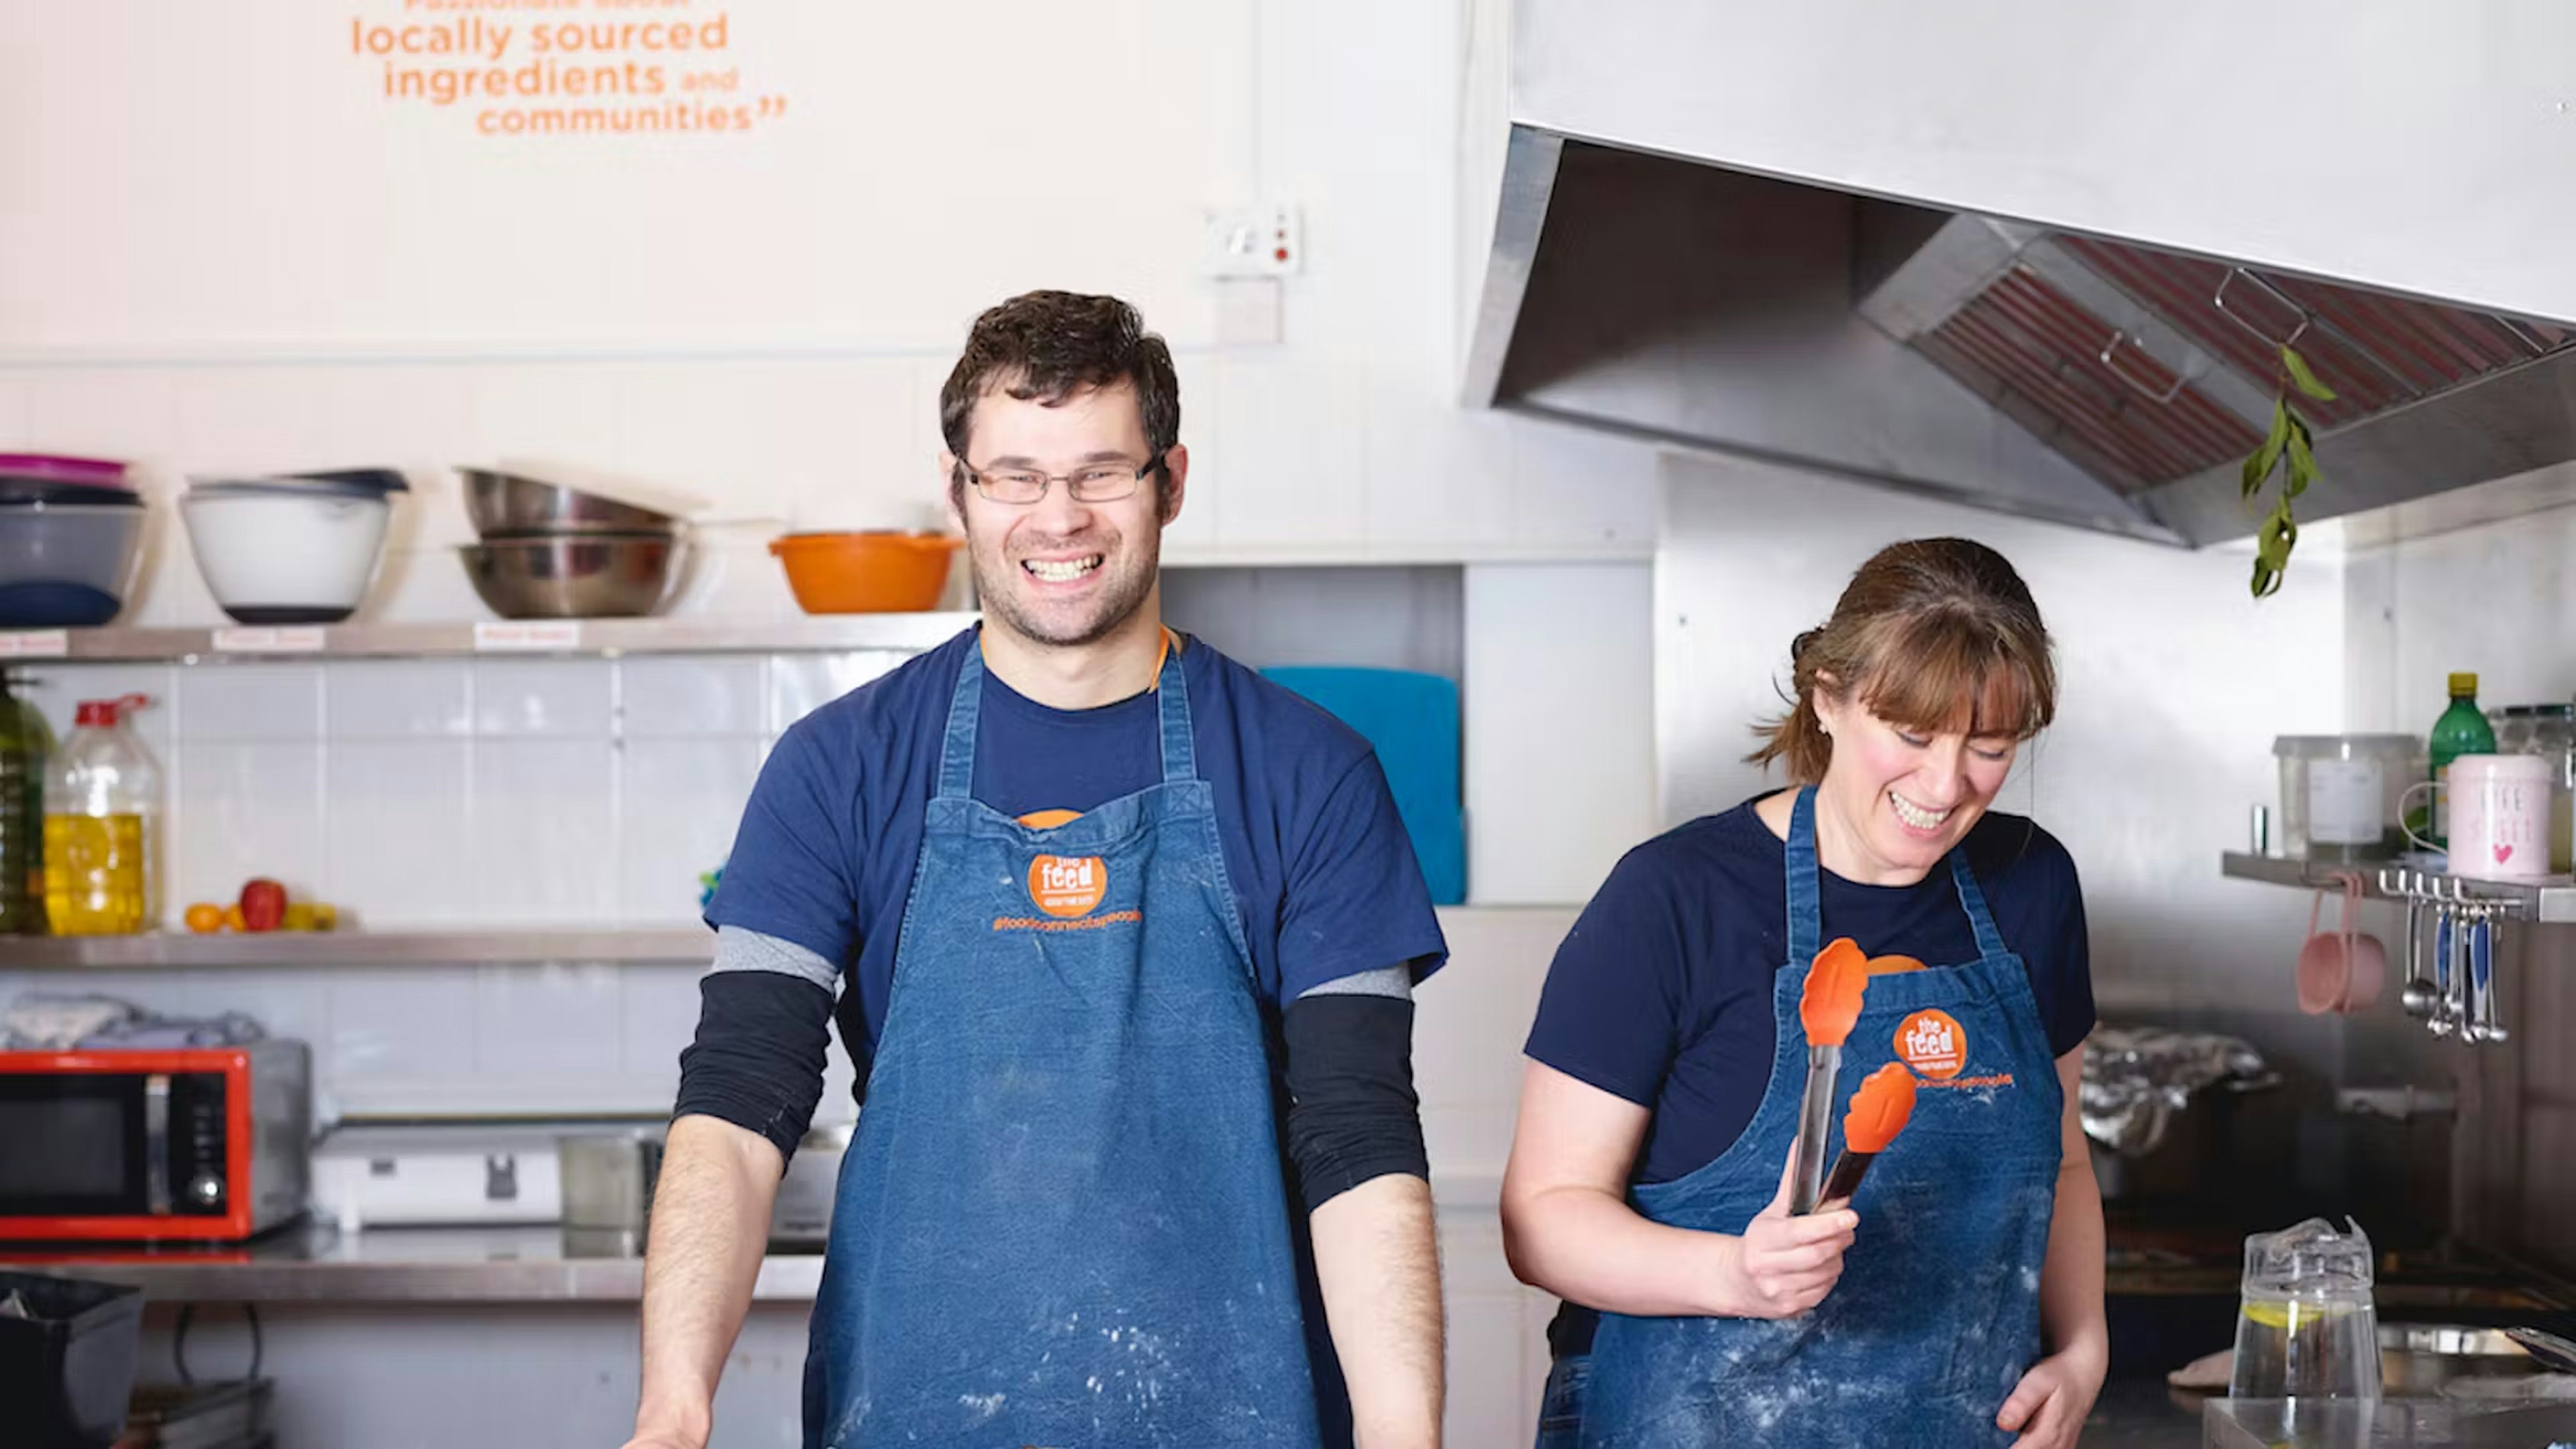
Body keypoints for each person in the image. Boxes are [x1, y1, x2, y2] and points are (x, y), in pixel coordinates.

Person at [622, 291, 1449, 1449]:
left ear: (1171, 481)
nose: (1058, 518)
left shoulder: (1309, 771)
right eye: (1015, 475)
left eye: (1101, 472)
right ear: (958, 490)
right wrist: (673, 1407)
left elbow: (1358, 1131)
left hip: (1234, 1409)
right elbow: (739, 1098)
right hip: (914, 1406)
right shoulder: (840, 766)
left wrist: (1405, 1432)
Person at [1500, 537, 2105, 1449]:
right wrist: (1733, 1276)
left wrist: (2085, 1350)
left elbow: (2063, 1165)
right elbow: (1542, 1215)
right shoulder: (1675, 898)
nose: (1945, 787)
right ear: (1828, 698)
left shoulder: (2034, 885)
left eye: (1989, 747)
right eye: (1911, 735)